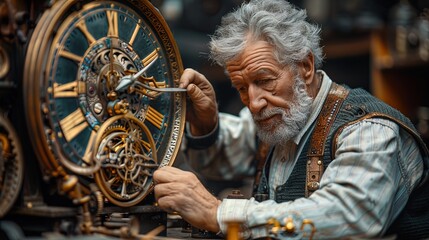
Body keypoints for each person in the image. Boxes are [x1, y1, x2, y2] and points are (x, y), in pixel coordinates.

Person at [153, 0, 429, 239]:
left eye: (264, 80)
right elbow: (221, 160)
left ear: (305, 67)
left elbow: (348, 217)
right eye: (241, 87)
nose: (254, 103)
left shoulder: (368, 129)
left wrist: (219, 213)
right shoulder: (279, 118)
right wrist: (205, 123)